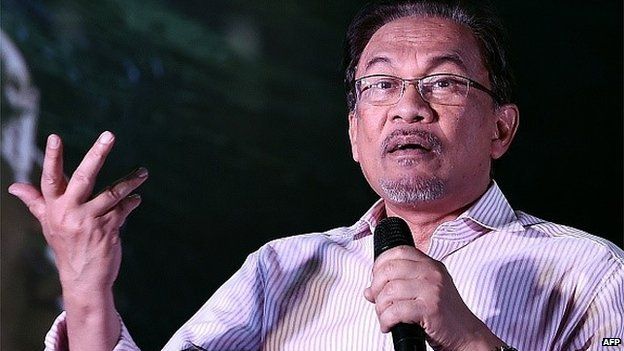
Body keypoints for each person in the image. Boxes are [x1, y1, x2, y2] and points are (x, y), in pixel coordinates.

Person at [9, 1, 623, 350]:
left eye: (443, 82)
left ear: (501, 128)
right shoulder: (281, 268)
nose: (409, 105)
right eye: (381, 85)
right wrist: (86, 291)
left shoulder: (591, 274)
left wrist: (468, 341)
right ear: (355, 135)